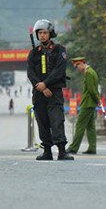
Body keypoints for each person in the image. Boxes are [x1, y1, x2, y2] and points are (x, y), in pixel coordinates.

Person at [27, 19, 74, 161]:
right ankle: (47, 150)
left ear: (50, 34)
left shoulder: (60, 50)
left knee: (57, 121)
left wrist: (46, 84)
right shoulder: (34, 53)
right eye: (39, 33)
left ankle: (61, 150)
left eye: (45, 33)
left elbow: (59, 71)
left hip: (54, 92)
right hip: (39, 93)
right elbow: (31, 73)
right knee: (42, 121)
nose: (42, 36)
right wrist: (41, 87)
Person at [66, 57, 100, 155]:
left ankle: (73, 148)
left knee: (80, 125)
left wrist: (97, 100)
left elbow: (91, 89)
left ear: (81, 63)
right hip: (91, 103)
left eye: (77, 66)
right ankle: (92, 148)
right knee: (90, 127)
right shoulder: (92, 71)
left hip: (87, 103)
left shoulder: (88, 73)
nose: (77, 69)